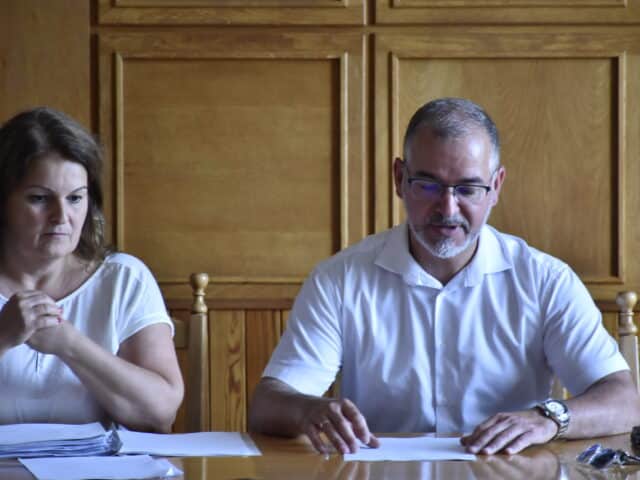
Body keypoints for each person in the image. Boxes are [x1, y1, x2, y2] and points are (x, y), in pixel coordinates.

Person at [248, 97, 640, 455]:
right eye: (429, 185)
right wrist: (308, 411)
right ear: (399, 179)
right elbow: (267, 404)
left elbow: (625, 402)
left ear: (495, 186)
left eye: (468, 189)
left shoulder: (545, 281)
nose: (448, 209)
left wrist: (549, 419)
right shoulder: (340, 279)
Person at [0, 107, 183, 432]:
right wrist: (2, 336)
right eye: (39, 198)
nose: (61, 217)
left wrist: (70, 344)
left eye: (75, 198)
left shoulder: (124, 279)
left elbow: (161, 412)